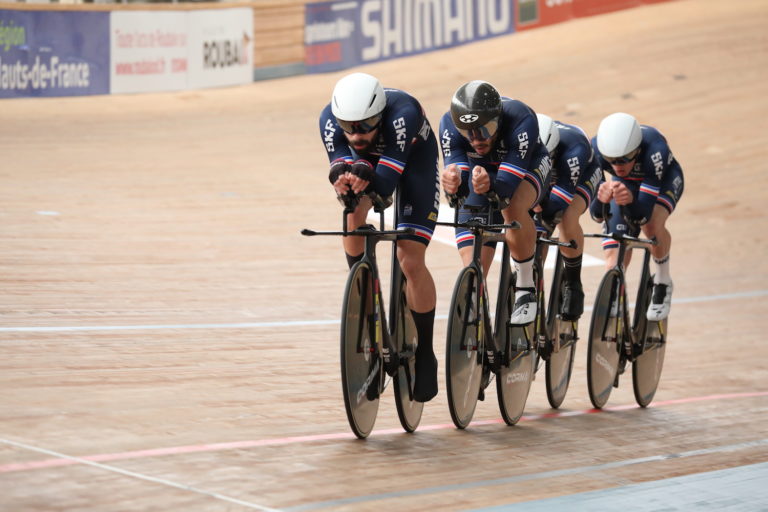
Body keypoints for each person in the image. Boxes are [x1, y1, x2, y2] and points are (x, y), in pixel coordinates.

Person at [319, 72, 440, 402]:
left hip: (413, 161)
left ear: (381, 114)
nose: (356, 134)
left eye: (366, 124)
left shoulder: (405, 112)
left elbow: (385, 184)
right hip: (370, 163)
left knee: (410, 257)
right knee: (351, 210)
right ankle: (363, 291)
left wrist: (363, 172)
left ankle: (426, 352)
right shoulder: (329, 120)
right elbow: (339, 163)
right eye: (349, 126)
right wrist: (340, 176)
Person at [440, 80, 551, 325]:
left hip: (527, 167)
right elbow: (460, 178)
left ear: (498, 119)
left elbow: (506, 188)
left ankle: (525, 287)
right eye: (468, 133)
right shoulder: (448, 124)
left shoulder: (522, 118)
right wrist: (454, 182)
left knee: (511, 206)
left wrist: (489, 182)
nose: (477, 139)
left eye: (485, 129)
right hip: (483, 170)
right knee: (469, 209)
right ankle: (474, 288)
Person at [590, 112, 684, 321]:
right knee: (615, 248)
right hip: (626, 187)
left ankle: (662, 281)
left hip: (662, 183)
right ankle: (614, 288)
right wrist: (602, 199)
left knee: (651, 226)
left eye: (624, 159)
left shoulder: (655, 150)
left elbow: (641, 216)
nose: (617, 166)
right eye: (611, 161)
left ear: (638, 150)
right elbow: (596, 215)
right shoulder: (595, 150)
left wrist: (630, 201)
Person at [534, 114, 603, 321]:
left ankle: (573, 283)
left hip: (582, 176)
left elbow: (556, 204)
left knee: (565, 216)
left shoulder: (575, 149)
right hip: (546, 180)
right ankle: (532, 282)